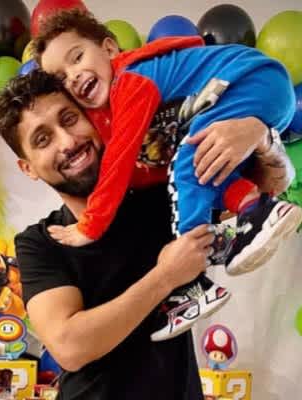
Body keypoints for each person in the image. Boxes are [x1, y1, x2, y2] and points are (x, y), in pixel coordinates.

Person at [0, 69, 294, 400]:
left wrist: (258, 134)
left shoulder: (163, 193)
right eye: (43, 139)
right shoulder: (41, 242)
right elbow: (70, 347)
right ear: (28, 168)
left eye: (69, 119)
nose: (67, 142)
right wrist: (165, 277)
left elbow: (267, 191)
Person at [33, 10, 302, 339]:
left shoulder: (130, 80)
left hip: (253, 82)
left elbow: (120, 158)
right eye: (62, 78)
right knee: (203, 167)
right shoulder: (125, 108)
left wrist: (91, 225)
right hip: (263, 85)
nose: (73, 76)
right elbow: (142, 171)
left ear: (109, 49)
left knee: (188, 162)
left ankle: (192, 285)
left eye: (77, 58)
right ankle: (258, 210)